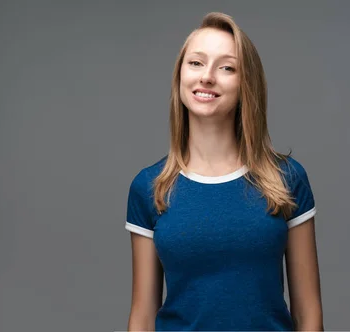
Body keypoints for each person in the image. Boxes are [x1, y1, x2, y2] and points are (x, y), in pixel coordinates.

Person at [124, 12, 324, 331]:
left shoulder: (286, 179)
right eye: (196, 63)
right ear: (179, 76)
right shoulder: (150, 187)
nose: (207, 76)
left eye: (227, 67)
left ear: (246, 84)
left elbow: (308, 313)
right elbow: (143, 314)